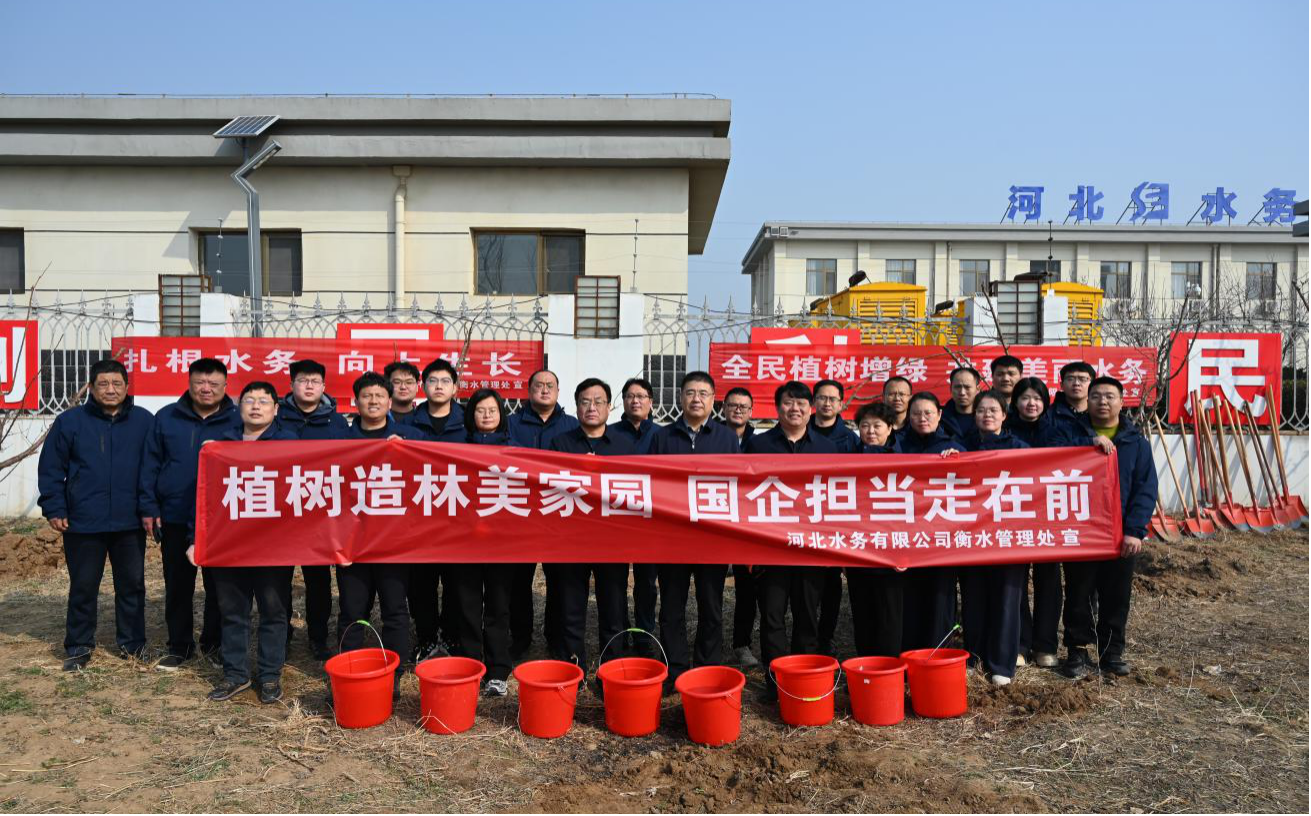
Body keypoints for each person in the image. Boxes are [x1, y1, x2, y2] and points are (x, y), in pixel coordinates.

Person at [38, 359, 154, 672]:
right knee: (84, 586)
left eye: (117, 384)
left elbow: (153, 468)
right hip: (83, 520)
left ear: (127, 387)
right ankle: (78, 646)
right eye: (103, 384)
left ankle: (132, 645)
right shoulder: (70, 421)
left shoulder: (144, 422)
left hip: (129, 521)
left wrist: (150, 508)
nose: (110, 390)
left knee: (132, 586)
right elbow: (51, 468)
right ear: (91, 388)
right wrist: (55, 507)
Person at [139, 357, 240, 671]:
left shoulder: (237, 421)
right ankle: (179, 646)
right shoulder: (167, 417)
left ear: (225, 386)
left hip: (221, 520)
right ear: (189, 383)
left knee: (220, 587)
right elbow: (150, 464)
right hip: (174, 516)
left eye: (213, 383)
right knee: (178, 586)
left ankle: (214, 644)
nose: (206, 388)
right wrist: (149, 506)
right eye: (200, 382)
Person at [203, 381, 298, 703]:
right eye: (249, 400)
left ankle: (270, 676)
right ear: (239, 406)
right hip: (230, 544)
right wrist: (195, 538)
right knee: (233, 611)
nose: (256, 406)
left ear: (276, 409)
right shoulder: (220, 444)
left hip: (273, 545)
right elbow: (204, 496)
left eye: (263, 401)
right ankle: (236, 675)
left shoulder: (289, 443)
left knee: (273, 610)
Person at [745, 381, 838, 700]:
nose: (794, 408)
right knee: (772, 616)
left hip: (811, 547)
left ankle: (804, 678)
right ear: (777, 407)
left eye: (801, 403)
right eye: (788, 402)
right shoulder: (758, 445)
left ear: (811, 408)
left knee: (807, 615)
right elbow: (745, 494)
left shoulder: (827, 448)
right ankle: (776, 682)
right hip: (771, 547)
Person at [1061, 376, 1157, 679]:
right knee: (1078, 594)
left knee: (1116, 596)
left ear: (1121, 401)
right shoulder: (1071, 435)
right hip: (1081, 532)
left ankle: (1111, 653)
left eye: (1109, 396)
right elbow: (1052, 460)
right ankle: (1077, 651)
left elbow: (1145, 489)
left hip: (1120, 535)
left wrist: (1135, 530)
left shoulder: (1136, 443)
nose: (1103, 401)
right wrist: (1085, 444)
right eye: (1096, 396)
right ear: (1087, 401)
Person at [649, 371, 740, 693]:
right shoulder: (661, 437)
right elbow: (651, 481)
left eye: (703, 393)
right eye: (690, 393)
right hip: (672, 538)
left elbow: (737, 486)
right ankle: (674, 669)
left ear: (714, 400)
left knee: (711, 607)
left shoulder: (727, 438)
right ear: (680, 398)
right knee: (671, 608)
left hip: (711, 538)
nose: (696, 399)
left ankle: (707, 668)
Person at [336, 372, 423, 698]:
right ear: (356, 402)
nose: (373, 401)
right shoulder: (339, 442)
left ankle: (394, 673)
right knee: (351, 611)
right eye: (366, 396)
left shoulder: (410, 437)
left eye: (379, 396)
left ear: (390, 401)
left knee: (395, 610)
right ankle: (346, 671)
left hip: (393, 544)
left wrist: (408, 451)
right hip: (353, 544)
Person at [547, 378, 636, 675]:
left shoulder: (625, 446)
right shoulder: (561, 444)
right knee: (571, 608)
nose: (592, 407)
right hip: (572, 538)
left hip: (612, 540)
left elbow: (634, 492)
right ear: (576, 406)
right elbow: (549, 486)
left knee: (613, 608)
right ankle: (573, 669)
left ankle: (612, 670)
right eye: (585, 402)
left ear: (610, 407)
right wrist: (578, 472)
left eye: (599, 401)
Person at [276, 359, 348, 661]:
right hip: (281, 513)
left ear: (323, 386)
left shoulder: (337, 423)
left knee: (318, 581)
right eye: (303, 380)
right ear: (291, 384)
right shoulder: (277, 417)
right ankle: (281, 635)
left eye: (314, 381)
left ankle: (318, 637)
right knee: (279, 579)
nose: (309, 386)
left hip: (320, 513)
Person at [956, 390, 1030, 686]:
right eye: (981, 410)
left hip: (1009, 537)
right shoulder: (962, 446)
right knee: (973, 597)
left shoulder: (1020, 448)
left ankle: (1002, 663)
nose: (987, 415)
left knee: (1007, 599)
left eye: (993, 410)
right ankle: (974, 656)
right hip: (972, 537)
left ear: (1004, 415)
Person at [506, 369, 579, 659]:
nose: (545, 389)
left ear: (558, 391)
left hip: (559, 513)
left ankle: (556, 637)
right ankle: (520, 638)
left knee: (559, 580)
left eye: (550, 385)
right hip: (519, 512)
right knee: (518, 581)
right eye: (539, 385)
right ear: (529, 391)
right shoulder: (510, 424)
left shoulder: (572, 425)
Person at [451, 388, 517, 696]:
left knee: (498, 607)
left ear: (501, 414)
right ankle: (470, 666)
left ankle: (498, 670)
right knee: (466, 606)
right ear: (471, 415)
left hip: (502, 542)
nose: (487, 415)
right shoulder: (455, 449)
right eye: (480, 410)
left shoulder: (516, 451)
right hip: (464, 541)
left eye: (492, 410)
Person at [402, 358, 466, 661]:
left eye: (445, 381)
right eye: (432, 381)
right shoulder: (406, 425)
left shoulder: (468, 424)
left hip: (458, 519)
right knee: (421, 585)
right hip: (419, 520)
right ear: (422, 386)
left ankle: (451, 636)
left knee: (456, 583)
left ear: (455, 387)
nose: (438, 386)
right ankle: (426, 638)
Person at [896, 392, 967, 652]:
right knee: (909, 598)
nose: (922, 418)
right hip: (907, 535)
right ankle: (909, 653)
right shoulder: (897, 445)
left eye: (928, 413)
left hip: (941, 537)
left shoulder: (954, 447)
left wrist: (959, 460)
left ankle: (939, 653)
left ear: (939, 415)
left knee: (940, 596)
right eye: (916, 413)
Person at [845, 400, 904, 657]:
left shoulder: (907, 460)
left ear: (890, 428)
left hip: (892, 551)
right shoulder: (847, 460)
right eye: (865, 425)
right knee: (862, 612)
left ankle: (889, 668)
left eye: (877, 426)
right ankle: (866, 665)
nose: (870, 431)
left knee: (889, 614)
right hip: (859, 548)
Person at [609, 377, 661, 658]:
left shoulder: (662, 435)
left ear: (651, 402)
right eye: (630, 396)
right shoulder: (609, 434)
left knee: (646, 582)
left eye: (641, 396)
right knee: (615, 581)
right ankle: (619, 632)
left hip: (650, 519)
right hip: (615, 517)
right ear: (623, 401)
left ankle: (644, 633)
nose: (635, 401)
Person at [808, 379, 856, 655]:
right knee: (805, 585)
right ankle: (806, 638)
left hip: (835, 520)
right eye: (822, 398)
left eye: (832, 399)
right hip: (803, 517)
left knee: (830, 585)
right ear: (814, 402)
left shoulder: (850, 439)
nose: (827, 404)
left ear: (841, 404)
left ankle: (825, 639)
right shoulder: (802, 430)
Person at [721, 386, 759, 667]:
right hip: (714, 519)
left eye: (743, 406)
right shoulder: (711, 438)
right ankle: (707, 645)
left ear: (751, 411)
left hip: (748, 524)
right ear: (723, 408)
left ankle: (741, 644)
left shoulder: (760, 443)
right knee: (709, 588)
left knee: (747, 589)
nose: (738, 410)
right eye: (733, 405)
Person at [1050, 361, 1097, 442]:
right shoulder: (1048, 415)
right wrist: (1090, 441)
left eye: (1083, 379)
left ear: (1093, 385)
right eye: (1070, 379)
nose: (1076, 383)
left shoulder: (1101, 413)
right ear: (1061, 385)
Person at [941, 367, 981, 439]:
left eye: (967, 387)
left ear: (977, 389)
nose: (962, 393)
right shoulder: (939, 418)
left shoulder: (987, 418)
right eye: (957, 387)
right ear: (950, 389)